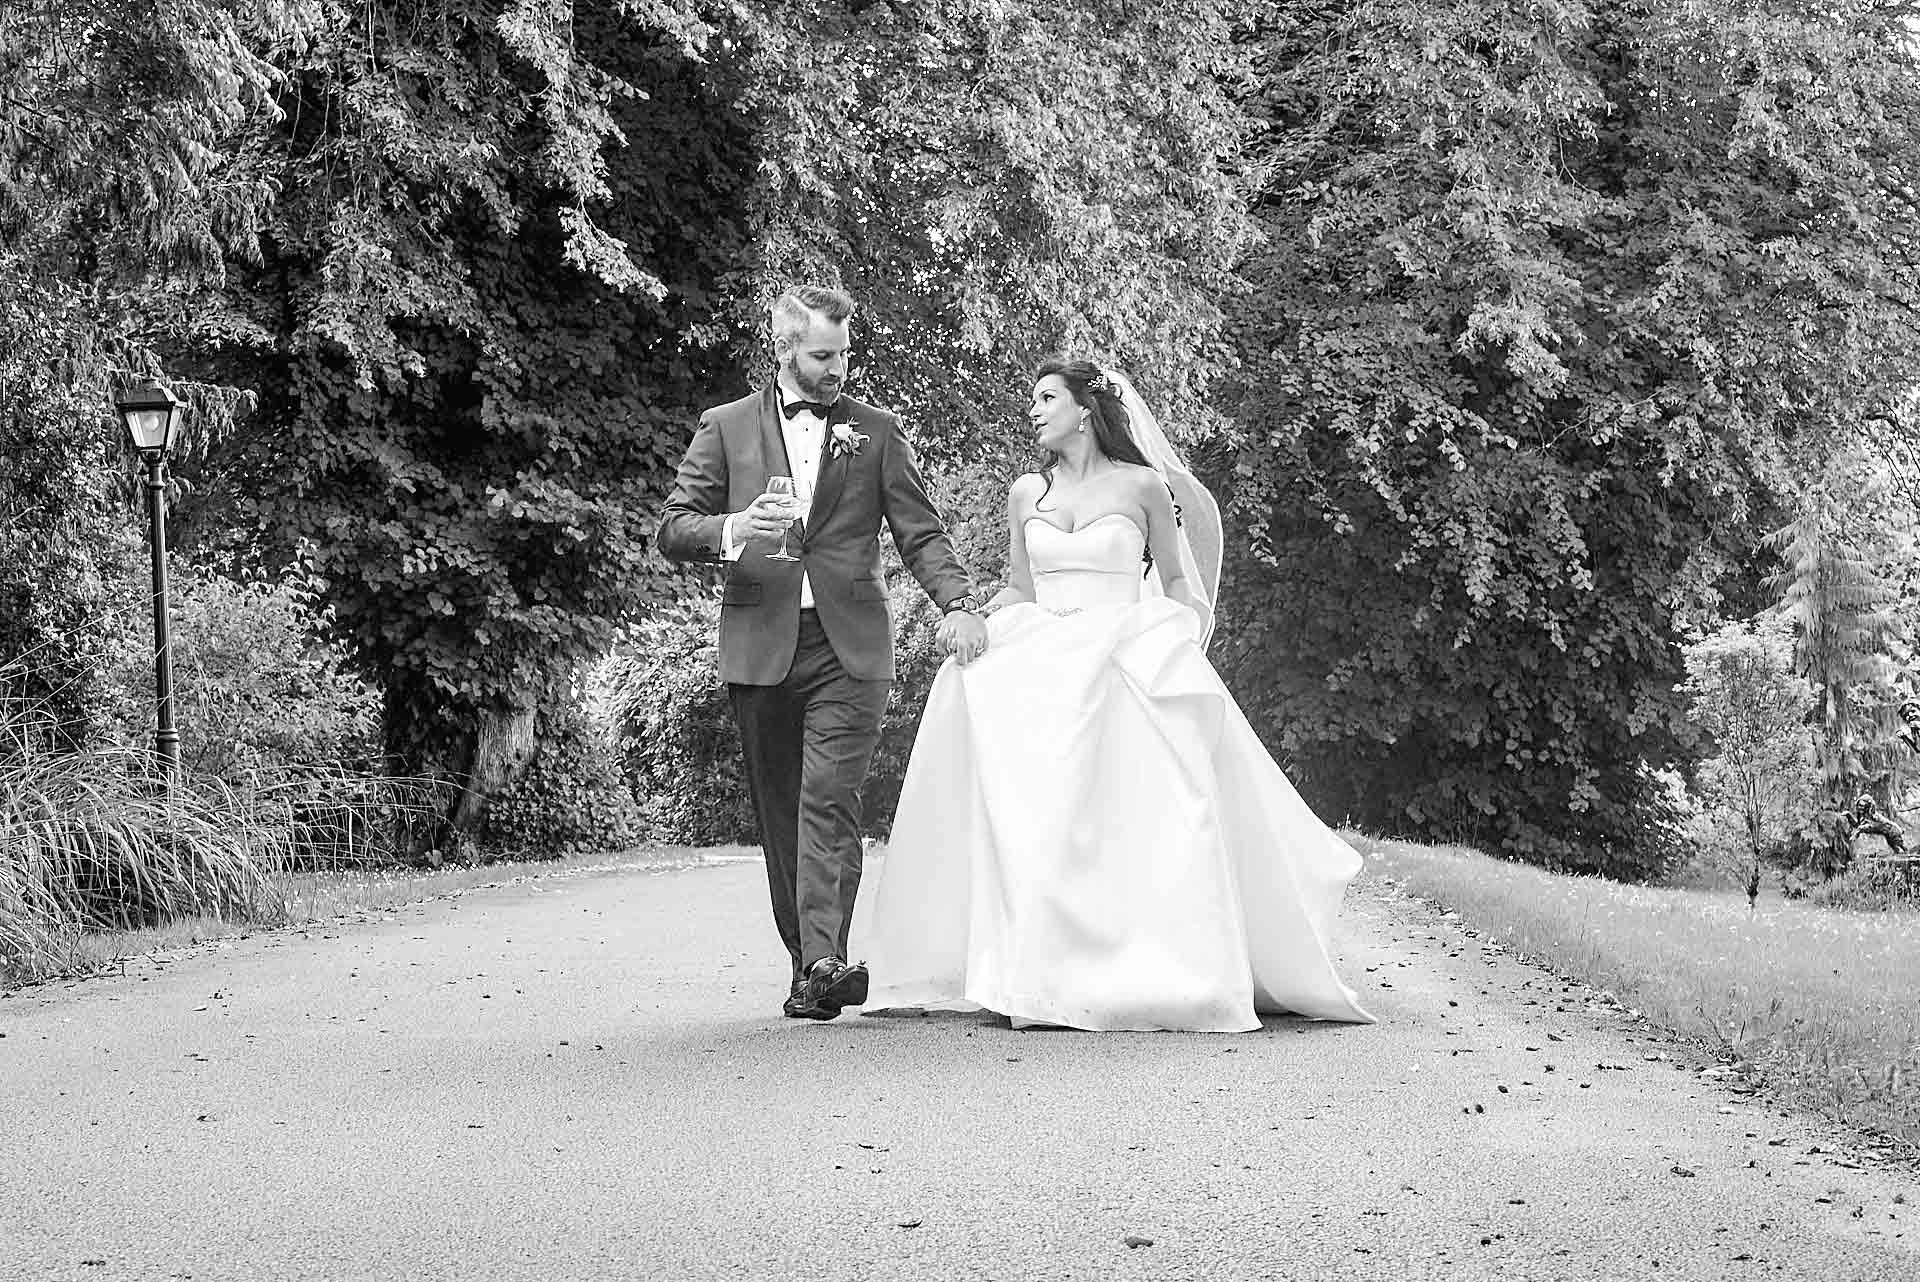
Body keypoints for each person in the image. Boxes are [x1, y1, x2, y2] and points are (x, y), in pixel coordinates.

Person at [859, 356, 1375, 1032]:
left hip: (1121, 648)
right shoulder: (1026, 493)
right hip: (1047, 652)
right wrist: (976, 619)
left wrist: (1178, 638)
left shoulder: (1144, 488)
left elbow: (1181, 584)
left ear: (1085, 407)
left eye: (1047, 397)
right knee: (1023, 784)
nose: (1034, 410)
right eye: (1033, 399)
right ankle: (1034, 971)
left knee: (1140, 811)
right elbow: (1021, 586)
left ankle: (1155, 962)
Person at [657, 285, 988, 1021]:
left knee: (828, 801)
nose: (839, 367)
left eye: (845, 353)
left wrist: (958, 603)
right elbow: (674, 527)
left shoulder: (877, 431)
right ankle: (808, 968)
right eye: (823, 354)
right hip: (760, 644)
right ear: (783, 349)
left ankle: (827, 961)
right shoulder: (726, 427)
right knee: (780, 816)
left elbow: (920, 532)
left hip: (852, 648)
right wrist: (737, 526)